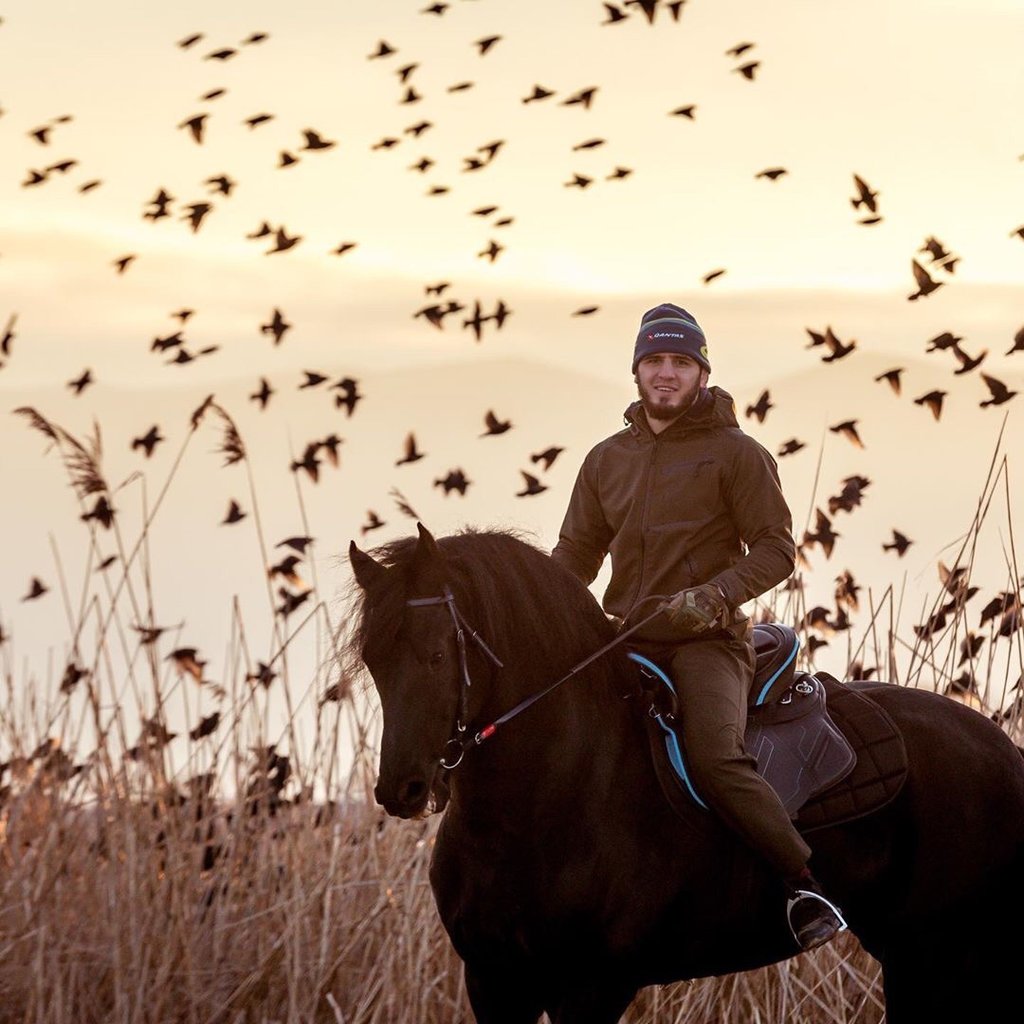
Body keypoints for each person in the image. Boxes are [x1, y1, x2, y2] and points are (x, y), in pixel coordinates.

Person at [550, 302, 846, 951]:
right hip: (622, 635)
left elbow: (775, 547)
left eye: (680, 362)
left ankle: (803, 884)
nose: (665, 373)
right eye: (654, 360)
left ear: (701, 373)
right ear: (636, 372)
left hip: (706, 642)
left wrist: (712, 597)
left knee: (714, 757)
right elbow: (575, 557)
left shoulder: (737, 454)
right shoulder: (604, 461)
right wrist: (537, 611)